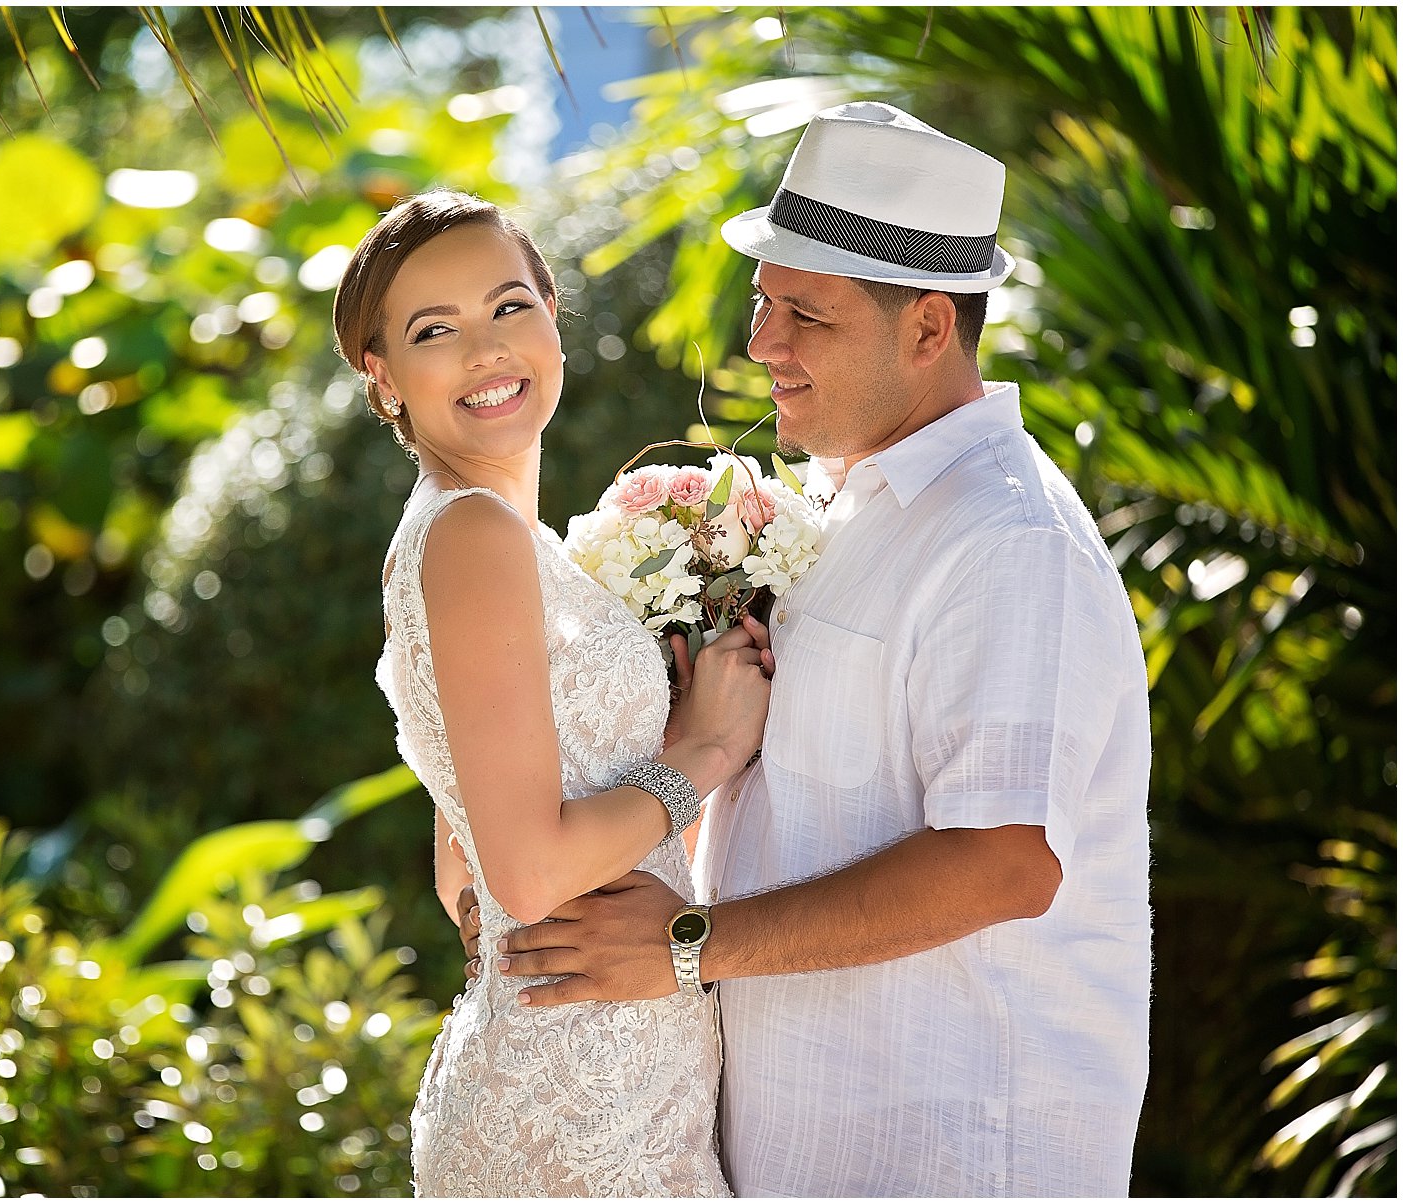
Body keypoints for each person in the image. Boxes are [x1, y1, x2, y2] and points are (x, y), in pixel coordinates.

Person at [487, 101, 1154, 1196]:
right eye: (762, 304)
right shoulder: (842, 506)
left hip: (944, 1158)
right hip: (806, 1147)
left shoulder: (1006, 542)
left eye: (807, 315)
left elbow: (1004, 861)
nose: (763, 346)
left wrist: (688, 943)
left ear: (931, 329)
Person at [334, 189, 773, 1196]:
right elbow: (526, 879)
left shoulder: (482, 535)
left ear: (552, 319)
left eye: (509, 307)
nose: (487, 352)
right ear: (384, 376)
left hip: (602, 1070)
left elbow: (473, 856)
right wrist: (701, 754)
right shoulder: (472, 535)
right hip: (574, 1102)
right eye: (434, 331)